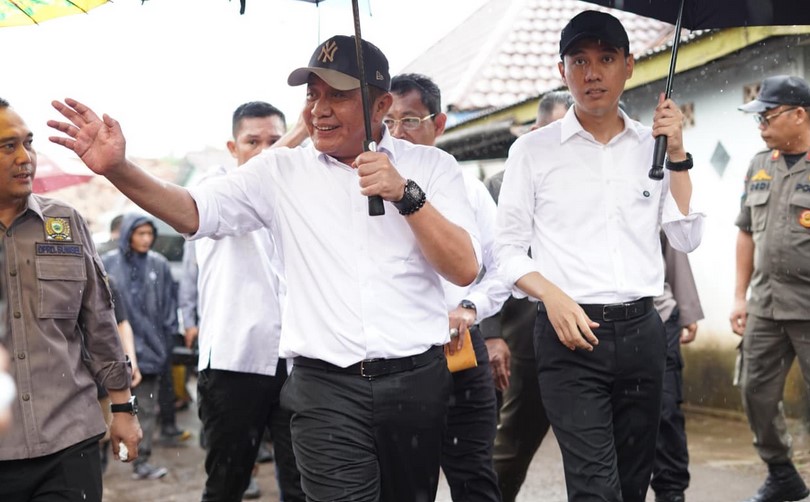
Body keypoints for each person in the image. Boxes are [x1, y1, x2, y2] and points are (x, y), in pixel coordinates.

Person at [48, 34, 480, 501]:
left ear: (381, 106)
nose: (319, 110)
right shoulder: (280, 171)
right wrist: (119, 168)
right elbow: (194, 211)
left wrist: (406, 195)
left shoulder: (433, 168)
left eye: (337, 95)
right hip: (325, 391)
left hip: (416, 384)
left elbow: (463, 268)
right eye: (312, 95)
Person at [494, 11, 704, 502]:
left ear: (628, 66)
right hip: (569, 337)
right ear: (562, 70)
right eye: (580, 61)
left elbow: (686, 237)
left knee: (631, 485)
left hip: (643, 333)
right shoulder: (532, 151)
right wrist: (552, 296)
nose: (592, 73)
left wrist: (677, 153)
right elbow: (505, 251)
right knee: (595, 488)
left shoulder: (653, 146)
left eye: (606, 59)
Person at [0, 98, 141, 501]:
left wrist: (123, 408)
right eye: (8, 146)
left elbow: (99, 321)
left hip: (68, 441)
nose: (25, 158)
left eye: (28, 143)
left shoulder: (63, 223)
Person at [386, 73, 505, 501]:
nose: (397, 132)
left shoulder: (469, 191)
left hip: (459, 350)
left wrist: (472, 306)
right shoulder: (367, 191)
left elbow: (502, 266)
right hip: (397, 359)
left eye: (410, 120)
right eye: (388, 121)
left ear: (439, 124)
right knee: (405, 481)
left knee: (473, 475)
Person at [178, 101, 304, 502]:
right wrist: (298, 133)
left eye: (274, 140)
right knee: (226, 484)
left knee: (303, 484)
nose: (266, 150)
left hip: (297, 361)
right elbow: (245, 185)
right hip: (234, 362)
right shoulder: (214, 189)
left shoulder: (299, 194)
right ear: (233, 148)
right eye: (253, 142)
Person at [481, 90, 572, 502]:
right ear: (535, 130)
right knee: (512, 443)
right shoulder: (500, 184)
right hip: (524, 331)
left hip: (586, 326)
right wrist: (491, 332)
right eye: (557, 129)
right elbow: (489, 259)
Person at [731, 74, 810, 502]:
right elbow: (746, 232)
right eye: (757, 117)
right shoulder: (760, 164)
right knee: (754, 391)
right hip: (765, 304)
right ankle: (781, 473)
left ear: (800, 115)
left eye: (768, 115)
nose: (761, 125)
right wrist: (739, 296)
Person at [101, 213, 177, 480]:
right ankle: (101, 463)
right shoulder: (108, 263)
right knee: (107, 409)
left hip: (151, 349)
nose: (146, 239)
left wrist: (165, 344)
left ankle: (141, 460)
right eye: (140, 233)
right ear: (128, 235)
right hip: (113, 351)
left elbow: (168, 307)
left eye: (149, 234)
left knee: (145, 408)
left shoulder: (159, 264)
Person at [650, 235, 704, 502]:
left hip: (659, 313)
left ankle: (671, 491)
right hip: (591, 317)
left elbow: (673, 242)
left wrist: (686, 309)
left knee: (666, 407)